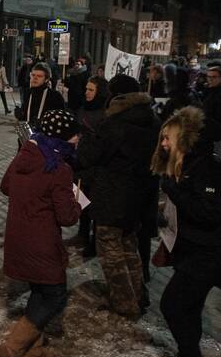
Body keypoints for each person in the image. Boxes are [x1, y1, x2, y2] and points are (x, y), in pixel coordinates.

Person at [150, 107, 221, 357]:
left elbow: (210, 213)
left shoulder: (211, 169)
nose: (163, 143)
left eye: (168, 138)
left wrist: (173, 191)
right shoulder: (189, 164)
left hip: (211, 253)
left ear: (184, 138)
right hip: (195, 250)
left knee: (173, 306)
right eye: (162, 138)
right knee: (186, 309)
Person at [0, 110, 82, 357]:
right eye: (74, 134)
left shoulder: (25, 153)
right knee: (55, 294)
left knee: (39, 291)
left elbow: (6, 186)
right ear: (63, 137)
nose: (78, 139)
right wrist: (76, 199)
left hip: (18, 238)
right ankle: (12, 348)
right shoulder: (59, 168)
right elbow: (67, 217)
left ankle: (35, 348)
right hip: (42, 243)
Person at [76, 74, 160, 319]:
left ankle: (124, 301)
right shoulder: (152, 120)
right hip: (140, 195)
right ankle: (138, 293)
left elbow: (90, 156)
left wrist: (85, 139)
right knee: (129, 246)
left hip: (113, 195)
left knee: (111, 249)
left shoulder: (114, 123)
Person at [73, 76, 110, 258]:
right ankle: (82, 232)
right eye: (86, 89)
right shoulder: (82, 108)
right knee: (82, 200)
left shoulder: (105, 113)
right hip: (80, 162)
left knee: (94, 205)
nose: (87, 93)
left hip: (95, 166)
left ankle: (94, 242)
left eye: (91, 90)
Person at [16, 63, 65, 131]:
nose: (35, 78)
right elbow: (26, 116)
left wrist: (43, 122)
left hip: (46, 137)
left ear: (46, 79)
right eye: (33, 75)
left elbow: (60, 121)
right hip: (29, 136)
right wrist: (21, 114)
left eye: (39, 76)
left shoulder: (55, 96)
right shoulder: (28, 93)